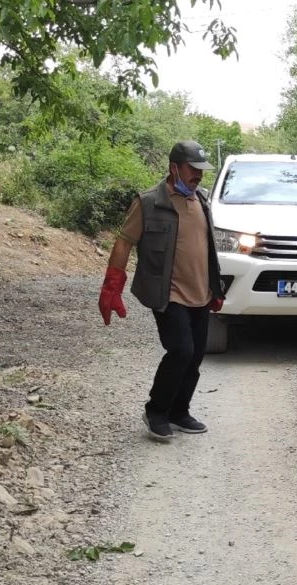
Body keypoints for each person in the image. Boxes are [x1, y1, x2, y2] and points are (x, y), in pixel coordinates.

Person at [98, 140, 225, 442]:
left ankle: (180, 412)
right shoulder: (149, 202)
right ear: (174, 168)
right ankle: (156, 411)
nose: (198, 176)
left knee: (195, 357)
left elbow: (207, 249)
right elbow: (123, 242)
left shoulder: (202, 201)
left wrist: (216, 288)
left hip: (201, 293)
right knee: (180, 351)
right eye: (193, 169)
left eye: (202, 170)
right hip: (168, 294)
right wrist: (111, 287)